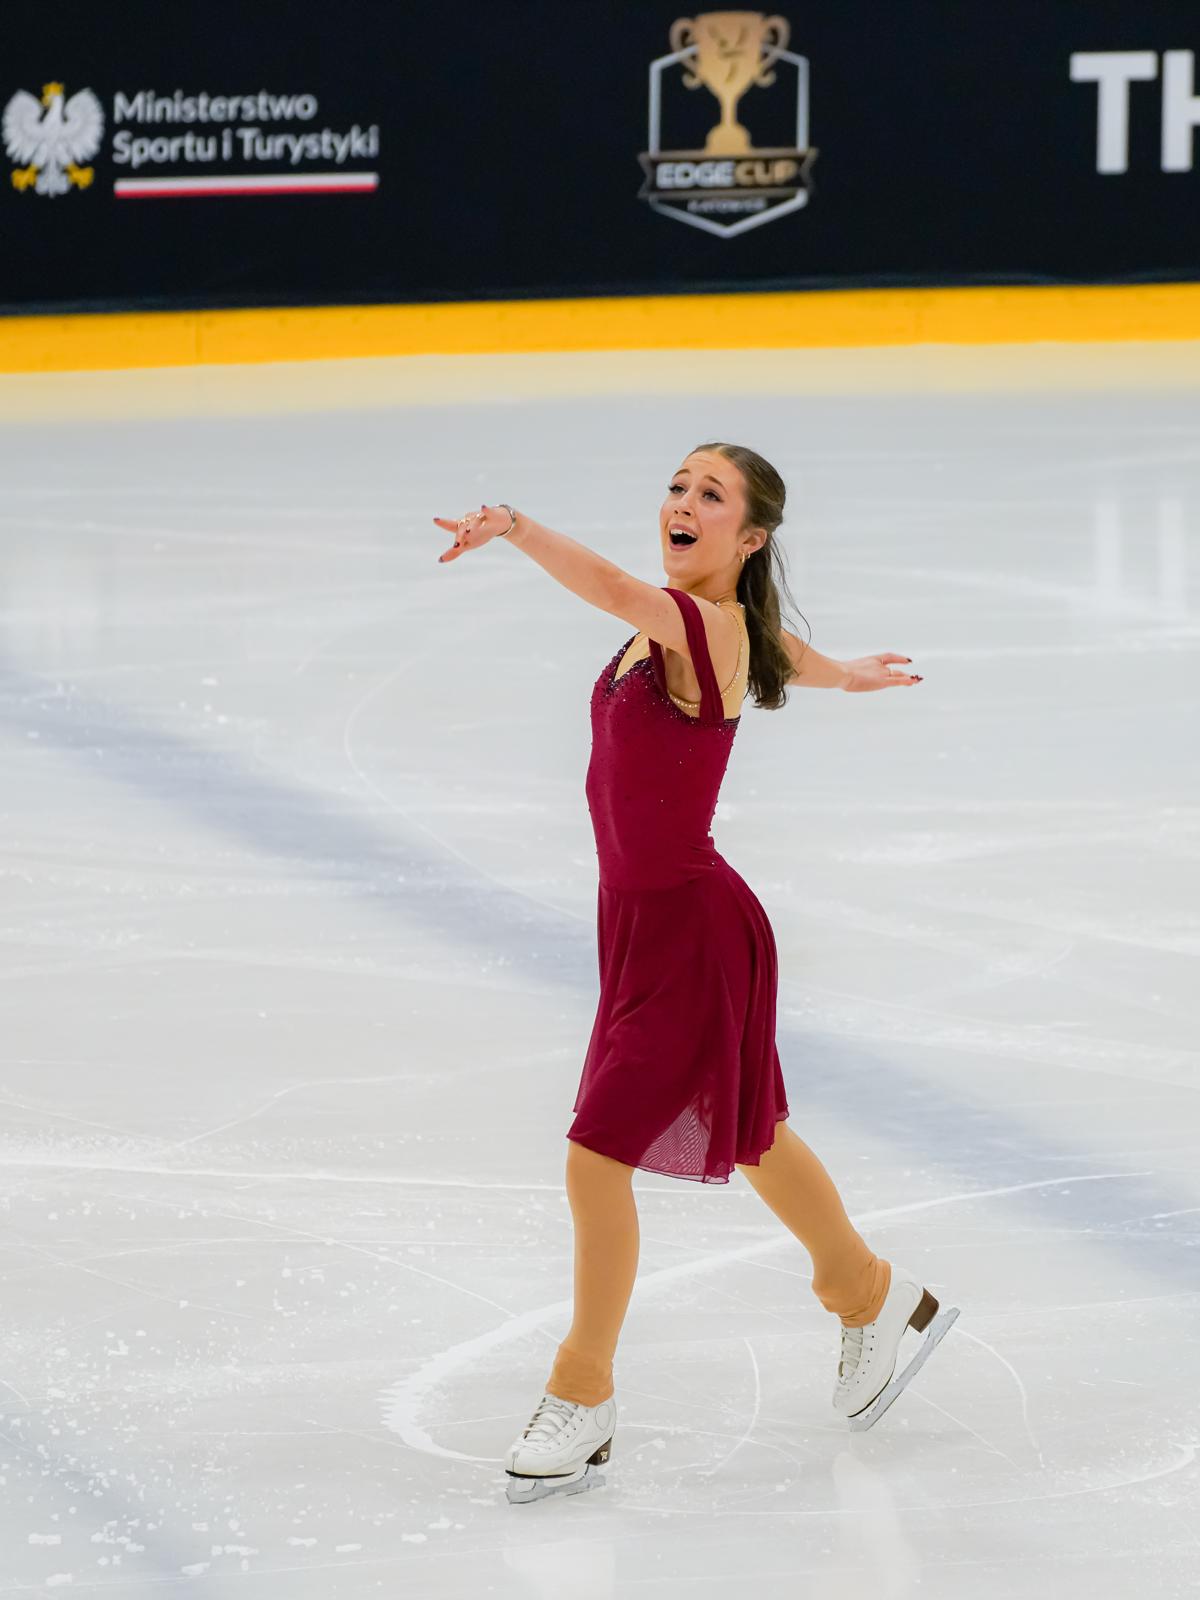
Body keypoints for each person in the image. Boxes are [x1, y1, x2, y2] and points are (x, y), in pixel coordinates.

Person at [434, 443, 958, 1505]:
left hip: (690, 930)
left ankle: (582, 1389)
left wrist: (519, 528)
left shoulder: (690, 622)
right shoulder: (714, 626)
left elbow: (617, 588)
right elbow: (776, 647)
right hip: (642, 922)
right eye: (678, 486)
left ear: (750, 536)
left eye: (710, 496)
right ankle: (873, 1297)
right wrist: (844, 672)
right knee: (750, 1129)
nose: (681, 502)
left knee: (596, 1157)